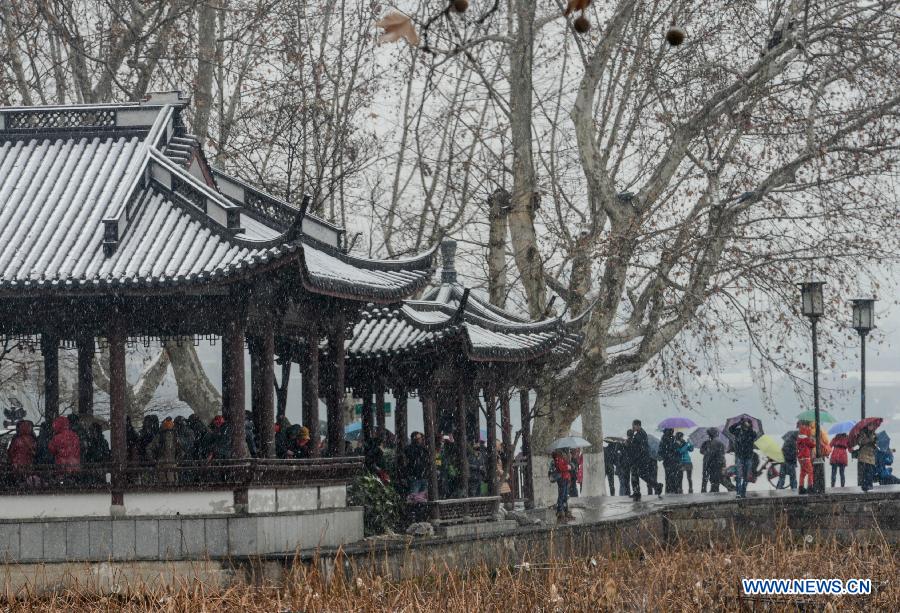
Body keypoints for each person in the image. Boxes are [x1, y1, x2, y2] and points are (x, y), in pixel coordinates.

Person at [627, 420, 662, 501]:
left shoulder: (640, 434)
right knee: (635, 475)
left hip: (640, 459)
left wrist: (630, 442)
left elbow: (640, 448)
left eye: (633, 426)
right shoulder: (640, 434)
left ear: (638, 425)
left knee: (641, 475)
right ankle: (637, 492)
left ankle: (656, 486)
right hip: (639, 459)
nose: (632, 427)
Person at [147, 417, 184, 484]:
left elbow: (149, 448)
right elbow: (181, 451)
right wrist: (177, 461)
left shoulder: (160, 436)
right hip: (171, 466)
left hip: (162, 466)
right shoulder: (175, 436)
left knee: (163, 487)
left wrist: (154, 460)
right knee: (172, 486)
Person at [728, 417, 757, 499]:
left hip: (748, 457)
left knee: (746, 476)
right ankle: (738, 492)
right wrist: (738, 423)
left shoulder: (752, 433)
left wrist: (750, 426)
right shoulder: (737, 431)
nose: (746, 424)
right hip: (739, 456)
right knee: (738, 475)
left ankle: (743, 492)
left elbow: (754, 435)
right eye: (745, 423)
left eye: (748, 423)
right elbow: (730, 429)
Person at [405, 431, 429, 501]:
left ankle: (421, 510)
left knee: (423, 497)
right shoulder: (410, 448)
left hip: (423, 476)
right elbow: (411, 457)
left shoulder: (423, 448)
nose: (421, 439)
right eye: (419, 438)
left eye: (421, 438)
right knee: (414, 497)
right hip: (415, 476)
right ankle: (414, 510)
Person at [550, 448, 573, 522]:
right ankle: (560, 511)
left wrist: (569, 464)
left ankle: (565, 510)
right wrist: (567, 467)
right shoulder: (558, 457)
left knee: (565, 495)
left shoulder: (563, 456)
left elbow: (565, 466)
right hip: (562, 478)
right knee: (562, 495)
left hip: (565, 478)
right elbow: (560, 467)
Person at [700, 428, 725, 493]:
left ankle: (713, 490)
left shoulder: (717, 443)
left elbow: (721, 454)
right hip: (708, 462)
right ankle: (705, 490)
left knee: (714, 478)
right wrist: (706, 452)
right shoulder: (706, 443)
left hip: (714, 463)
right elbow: (701, 451)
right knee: (707, 478)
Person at [855, 423, 878, 492]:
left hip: (871, 455)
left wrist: (876, 441)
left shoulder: (874, 434)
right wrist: (870, 440)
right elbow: (860, 442)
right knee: (865, 471)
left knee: (870, 471)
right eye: (870, 425)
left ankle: (869, 485)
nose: (872, 427)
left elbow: (877, 444)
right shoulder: (862, 433)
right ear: (867, 426)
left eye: (872, 426)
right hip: (863, 455)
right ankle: (865, 486)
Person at [659, 428, 681, 494]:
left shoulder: (668, 438)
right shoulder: (666, 439)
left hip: (670, 461)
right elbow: (670, 448)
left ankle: (670, 491)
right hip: (670, 461)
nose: (673, 431)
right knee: (671, 477)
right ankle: (672, 491)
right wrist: (676, 444)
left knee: (670, 477)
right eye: (671, 430)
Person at [796, 424, 816, 494]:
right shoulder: (806, 439)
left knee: (803, 473)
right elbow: (812, 445)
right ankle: (810, 487)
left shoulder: (798, 439)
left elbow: (797, 447)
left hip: (800, 458)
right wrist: (813, 441)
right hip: (806, 457)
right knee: (811, 471)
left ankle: (801, 487)